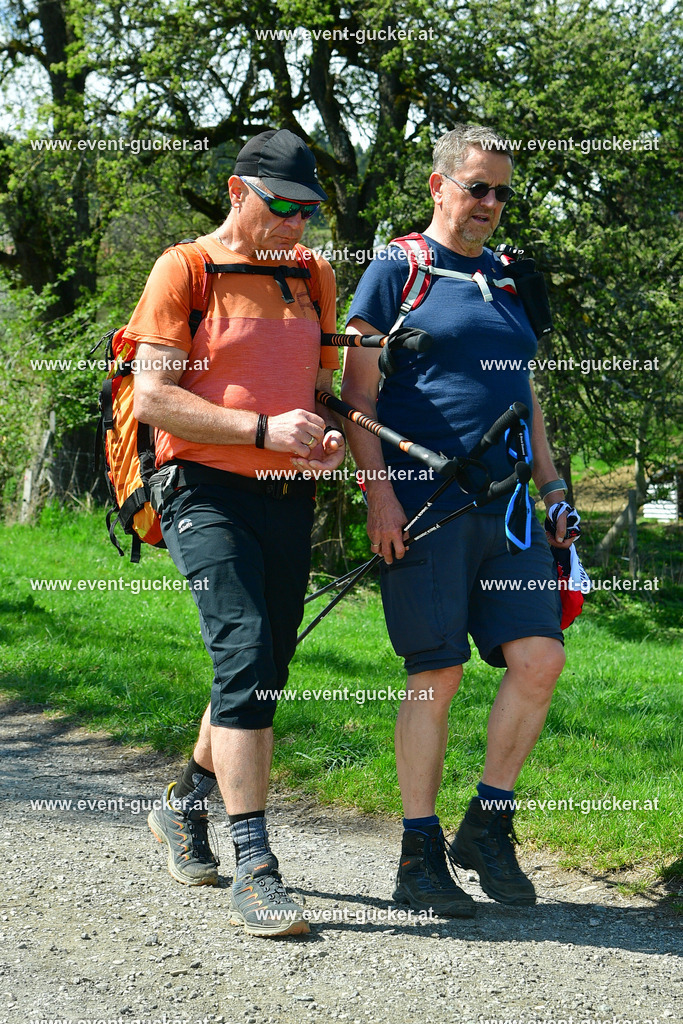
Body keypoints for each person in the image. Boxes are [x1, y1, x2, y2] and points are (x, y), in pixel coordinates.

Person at [341, 123, 576, 918]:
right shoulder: (395, 271)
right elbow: (357, 400)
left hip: (507, 511)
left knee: (539, 657)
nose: (489, 204)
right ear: (438, 185)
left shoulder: (510, 281)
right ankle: (416, 853)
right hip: (424, 505)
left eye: (501, 192)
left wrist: (552, 492)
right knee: (433, 673)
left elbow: (527, 401)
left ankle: (487, 825)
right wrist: (378, 497)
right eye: (476, 187)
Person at [128, 129, 345, 937]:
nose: (296, 223)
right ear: (235, 190)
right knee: (245, 649)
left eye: (308, 210)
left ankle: (183, 803)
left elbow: (320, 394)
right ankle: (255, 863)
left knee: (262, 666)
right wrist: (259, 429)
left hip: (285, 492)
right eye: (281, 207)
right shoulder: (182, 269)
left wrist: (320, 437)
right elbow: (153, 397)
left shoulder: (313, 274)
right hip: (200, 486)